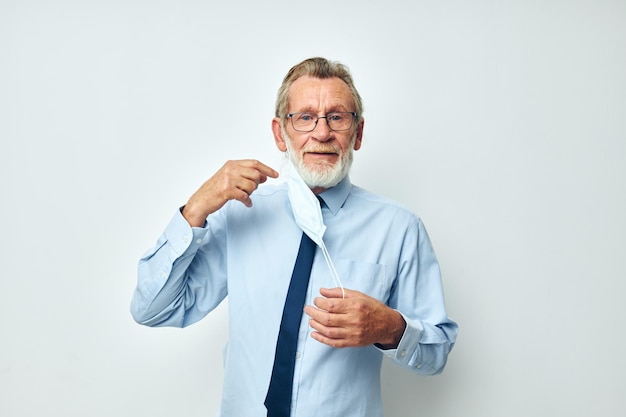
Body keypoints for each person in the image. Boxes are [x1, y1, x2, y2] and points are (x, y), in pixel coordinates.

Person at [131, 57, 458, 417]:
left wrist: (390, 328)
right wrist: (194, 210)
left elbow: (436, 353)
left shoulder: (399, 228)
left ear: (358, 133)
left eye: (337, 117)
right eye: (304, 117)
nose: (321, 133)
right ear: (279, 133)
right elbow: (151, 309)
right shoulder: (242, 212)